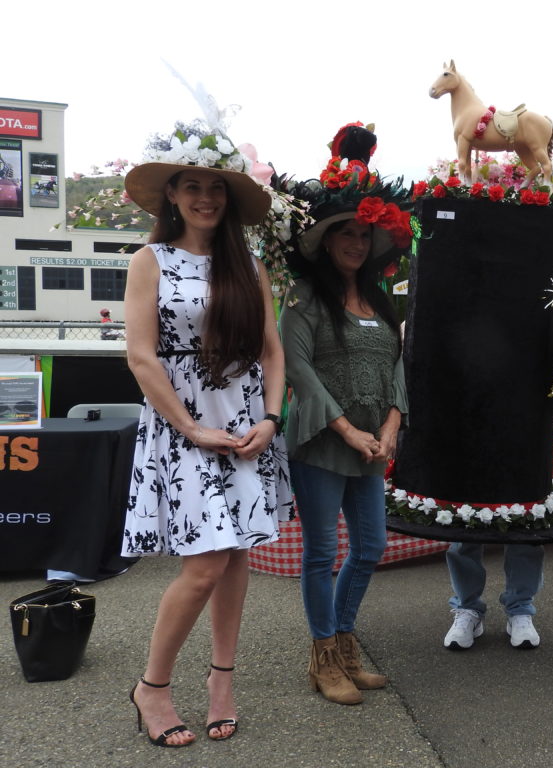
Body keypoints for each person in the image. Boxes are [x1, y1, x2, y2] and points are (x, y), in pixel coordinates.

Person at [121, 126, 293, 747]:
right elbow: (142, 358)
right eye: (191, 186)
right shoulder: (151, 262)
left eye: (215, 187)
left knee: (238, 552)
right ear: (171, 195)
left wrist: (270, 420)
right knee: (205, 565)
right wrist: (191, 427)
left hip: (247, 420)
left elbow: (273, 353)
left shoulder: (250, 267)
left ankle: (223, 680)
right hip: (185, 421)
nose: (204, 197)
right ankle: (153, 687)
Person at [280, 123, 411, 704]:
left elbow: (398, 367)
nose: (357, 243)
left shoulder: (381, 303)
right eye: (347, 234)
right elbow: (297, 370)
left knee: (370, 548)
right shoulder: (304, 302)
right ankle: (323, 657)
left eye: (365, 235)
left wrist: (388, 426)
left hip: (371, 445)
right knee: (321, 553)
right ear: (327, 242)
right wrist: (348, 429)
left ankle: (345, 644)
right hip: (323, 443)